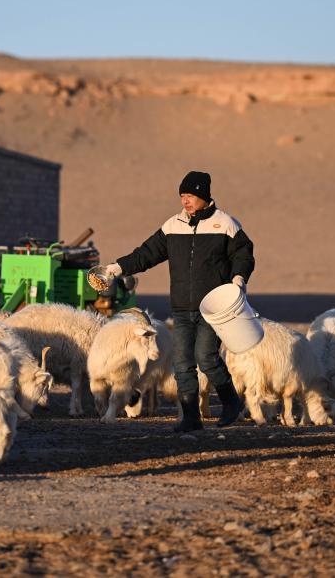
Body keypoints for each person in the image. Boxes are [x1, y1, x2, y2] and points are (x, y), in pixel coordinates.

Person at [104, 171, 254, 432]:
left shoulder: (225, 224)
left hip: (214, 308)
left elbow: (243, 254)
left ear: (204, 197)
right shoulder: (173, 225)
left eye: (190, 196)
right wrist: (119, 267)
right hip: (182, 307)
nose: (185, 201)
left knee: (205, 357)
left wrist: (239, 277)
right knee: (182, 363)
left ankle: (231, 402)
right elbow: (147, 254)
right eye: (182, 196)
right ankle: (191, 418)